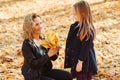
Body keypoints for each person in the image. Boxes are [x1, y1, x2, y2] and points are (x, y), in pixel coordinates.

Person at [21, 13, 71, 80]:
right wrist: (48, 55)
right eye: (36, 24)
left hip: (45, 71)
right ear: (30, 27)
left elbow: (53, 58)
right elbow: (33, 64)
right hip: (34, 75)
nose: (40, 26)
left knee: (68, 76)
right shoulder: (27, 44)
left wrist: (55, 51)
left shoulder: (43, 39)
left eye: (40, 23)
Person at [64, 1, 98, 80]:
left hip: (84, 64)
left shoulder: (87, 30)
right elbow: (70, 42)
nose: (74, 15)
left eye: (76, 13)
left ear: (83, 14)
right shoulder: (74, 26)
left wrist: (80, 62)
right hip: (75, 60)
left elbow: (85, 48)